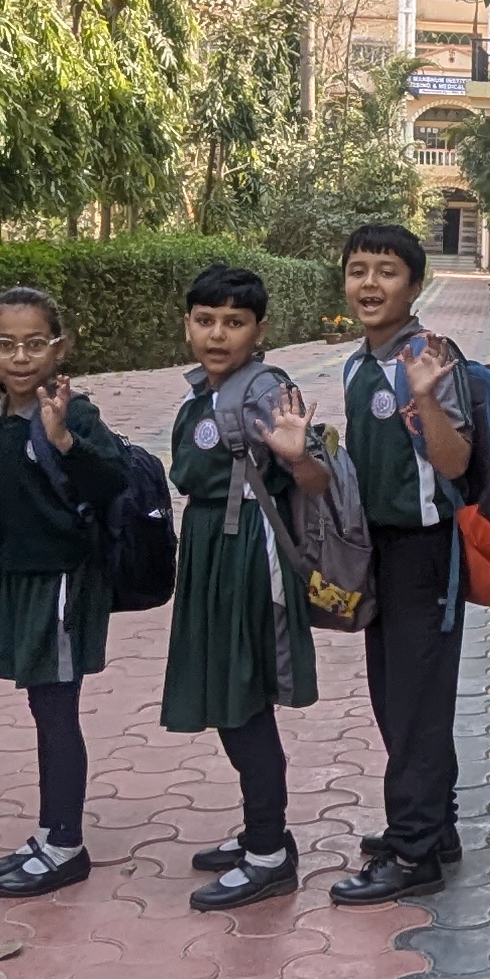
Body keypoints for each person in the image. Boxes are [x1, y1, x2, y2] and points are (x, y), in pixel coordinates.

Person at [0, 287, 134, 899]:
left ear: (60, 348)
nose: (20, 357)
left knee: (57, 710)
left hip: (65, 581)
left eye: (35, 343)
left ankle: (66, 844)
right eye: (6, 344)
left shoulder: (75, 414)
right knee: (44, 707)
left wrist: (65, 440)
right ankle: (49, 832)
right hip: (22, 583)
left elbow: (112, 479)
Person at [167, 264, 329, 912]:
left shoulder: (266, 390)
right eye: (205, 320)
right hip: (210, 552)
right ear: (187, 324)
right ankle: (264, 834)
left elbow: (318, 480)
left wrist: (298, 455)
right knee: (228, 697)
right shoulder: (203, 392)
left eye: (234, 322)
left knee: (245, 702)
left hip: (249, 561)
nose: (217, 334)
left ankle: (267, 855)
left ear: (259, 330)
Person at [327, 223, 480, 907]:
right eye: (358, 269)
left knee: (417, 701)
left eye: (386, 271)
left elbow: (455, 462)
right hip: (377, 551)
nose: (370, 283)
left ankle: (414, 852)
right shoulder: (358, 364)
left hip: (425, 549)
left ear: (415, 286)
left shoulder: (430, 356)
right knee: (394, 695)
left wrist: (425, 399)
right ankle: (434, 827)